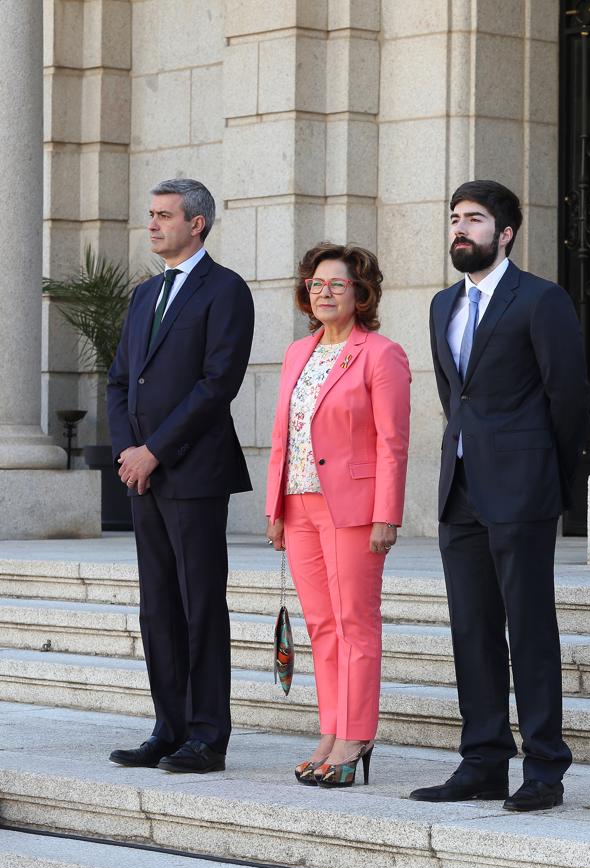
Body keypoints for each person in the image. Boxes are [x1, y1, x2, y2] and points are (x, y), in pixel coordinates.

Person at [410, 181, 589, 812]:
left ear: (505, 232)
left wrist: (547, 479)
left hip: (522, 489)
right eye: (455, 217)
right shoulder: (441, 305)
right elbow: (452, 396)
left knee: (530, 629)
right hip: (459, 489)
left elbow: (568, 400)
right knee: (472, 629)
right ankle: (482, 759)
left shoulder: (541, 300)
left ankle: (544, 768)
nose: (461, 229)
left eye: (475, 219)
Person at [106, 178, 253, 774]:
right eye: (151, 215)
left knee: (199, 605)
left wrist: (156, 451)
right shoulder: (145, 295)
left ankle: (207, 736)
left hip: (193, 473)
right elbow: (120, 381)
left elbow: (217, 386)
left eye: (164, 216)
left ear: (197, 224)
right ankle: (167, 728)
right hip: (143, 475)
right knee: (157, 607)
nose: (153, 224)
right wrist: (127, 452)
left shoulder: (226, 291)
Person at [263, 242, 410, 788]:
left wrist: (386, 514)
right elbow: (284, 434)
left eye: (337, 284)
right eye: (316, 284)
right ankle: (330, 731)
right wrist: (275, 506)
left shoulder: (381, 353)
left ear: (360, 293)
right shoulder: (298, 353)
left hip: (352, 508)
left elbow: (394, 442)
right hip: (298, 505)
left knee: (355, 624)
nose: (324, 292)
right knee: (321, 625)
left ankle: (356, 734)